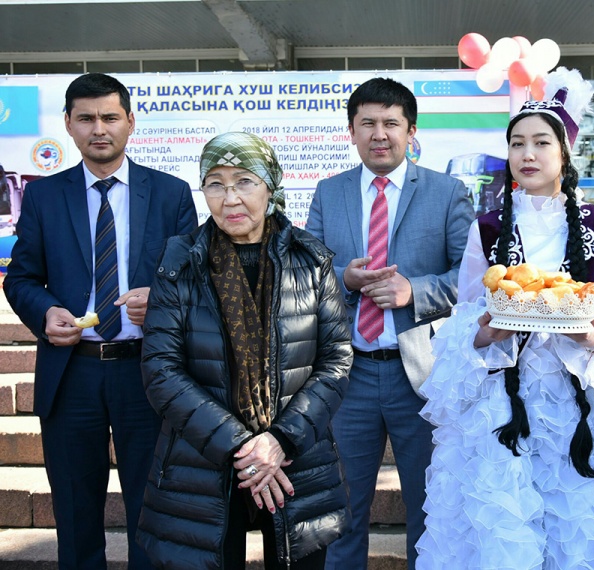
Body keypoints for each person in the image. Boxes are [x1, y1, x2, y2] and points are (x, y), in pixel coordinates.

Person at [415, 68, 594, 569]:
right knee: (503, 535)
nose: (527, 154)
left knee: (579, 534)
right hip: (499, 407)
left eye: (541, 142)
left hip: (578, 405)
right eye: (517, 144)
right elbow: (467, 317)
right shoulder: (487, 228)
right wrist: (490, 331)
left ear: (565, 152)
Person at [3, 73, 197, 569]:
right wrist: (45, 311)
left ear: (130, 121)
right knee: (74, 513)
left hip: (148, 372)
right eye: (86, 118)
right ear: (69, 124)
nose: (99, 129)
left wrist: (161, 300)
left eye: (110, 117)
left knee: (153, 513)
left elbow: (196, 280)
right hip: (72, 371)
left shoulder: (171, 194)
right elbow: (21, 277)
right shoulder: (45, 196)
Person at [136, 132, 352, 569]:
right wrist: (245, 450)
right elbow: (161, 369)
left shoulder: (311, 260)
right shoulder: (180, 263)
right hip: (202, 461)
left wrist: (281, 441)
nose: (230, 197)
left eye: (244, 181)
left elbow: (336, 360)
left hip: (296, 459)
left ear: (270, 186)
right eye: (215, 183)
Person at [306, 77, 474, 570]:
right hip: (348, 375)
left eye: (391, 123)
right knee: (342, 515)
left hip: (422, 376)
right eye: (368, 124)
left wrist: (413, 292)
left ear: (411, 131)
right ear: (352, 132)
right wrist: (344, 278)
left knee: (431, 512)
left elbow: (473, 278)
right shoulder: (330, 192)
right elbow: (305, 272)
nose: (379, 134)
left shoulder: (446, 192)